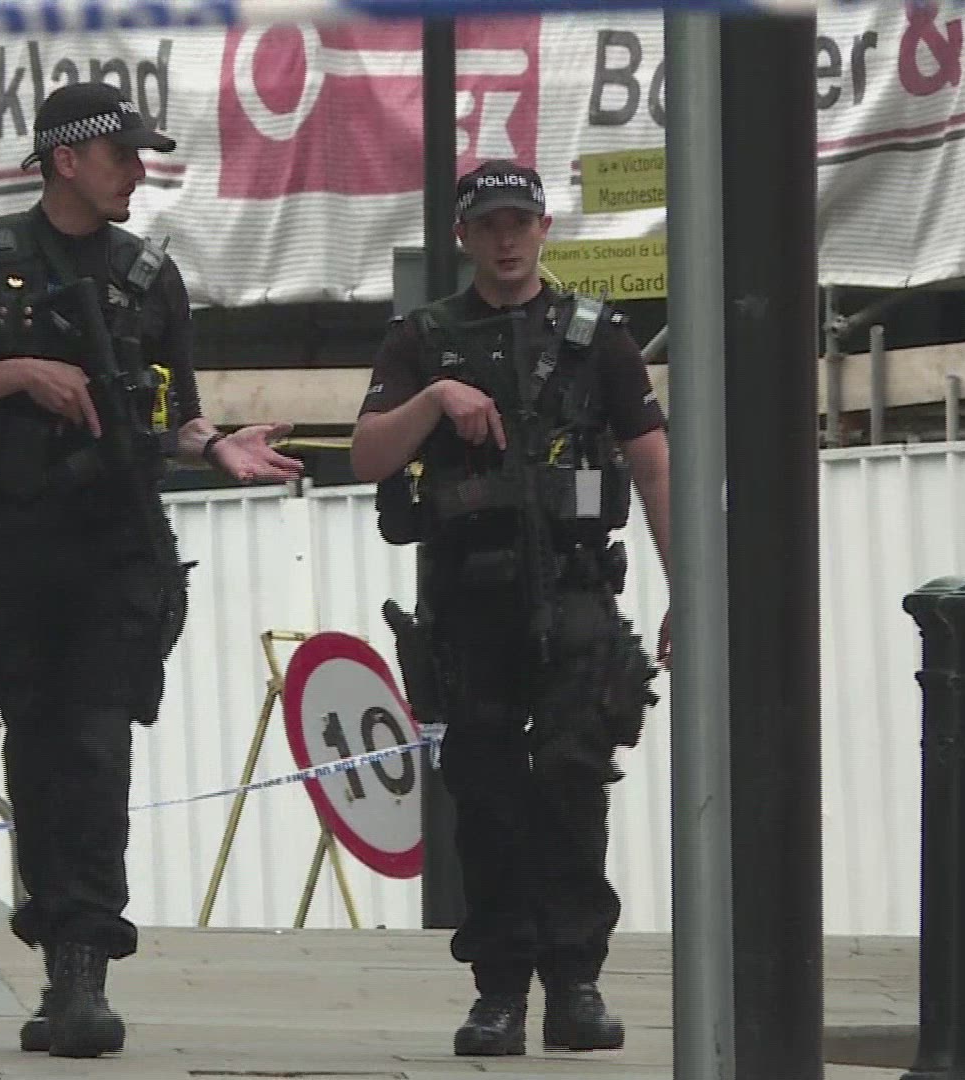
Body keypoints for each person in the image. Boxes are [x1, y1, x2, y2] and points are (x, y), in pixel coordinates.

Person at [0, 80, 304, 1059]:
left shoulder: (149, 277)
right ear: (65, 159)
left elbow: (175, 414)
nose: (138, 174)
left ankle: (85, 966)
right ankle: (59, 954)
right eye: (122, 156)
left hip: (114, 547)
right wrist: (20, 373)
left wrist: (214, 446)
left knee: (97, 748)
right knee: (38, 753)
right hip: (13, 550)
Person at [348, 160, 671, 1057]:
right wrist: (434, 399)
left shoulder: (598, 336)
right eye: (488, 224)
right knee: (487, 801)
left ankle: (576, 984)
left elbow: (653, 464)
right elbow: (368, 455)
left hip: (576, 593)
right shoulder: (423, 338)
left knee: (573, 785)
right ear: (463, 236)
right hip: (470, 603)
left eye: (519, 223)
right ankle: (499, 991)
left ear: (544, 229)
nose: (505, 239)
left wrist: (688, 590)